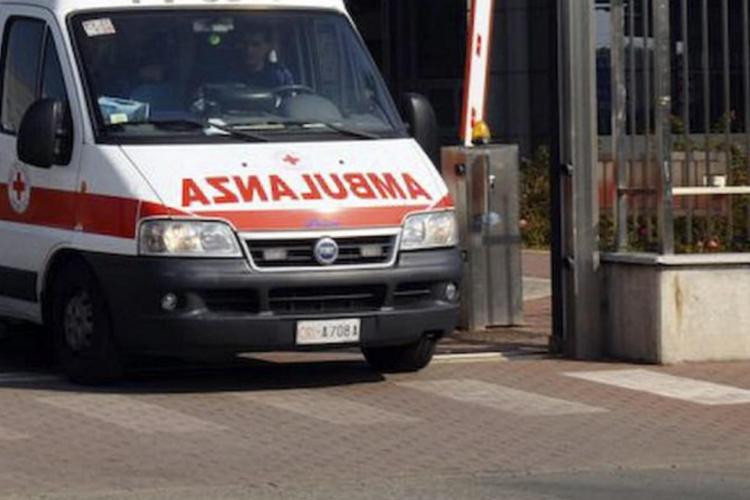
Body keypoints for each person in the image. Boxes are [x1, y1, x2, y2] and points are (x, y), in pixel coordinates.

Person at [236, 24, 294, 89]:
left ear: (268, 47)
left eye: (256, 45)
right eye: (245, 44)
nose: (249, 50)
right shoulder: (231, 75)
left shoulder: (280, 76)